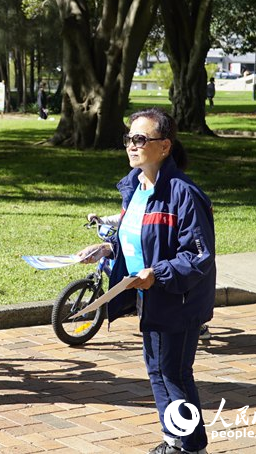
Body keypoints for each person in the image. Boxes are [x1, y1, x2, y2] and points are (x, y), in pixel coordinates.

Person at [77, 107, 215, 454]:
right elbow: (138, 237)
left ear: (164, 147)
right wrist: (107, 248)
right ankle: (174, 438)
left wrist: (158, 274)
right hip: (148, 296)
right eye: (129, 138)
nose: (131, 145)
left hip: (177, 299)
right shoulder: (136, 187)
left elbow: (198, 256)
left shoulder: (184, 194)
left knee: (175, 373)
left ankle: (192, 445)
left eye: (140, 139)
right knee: (156, 370)